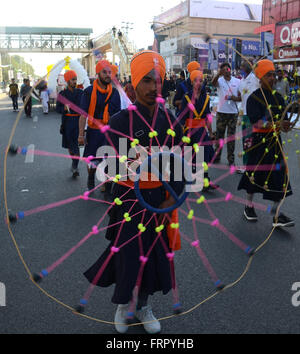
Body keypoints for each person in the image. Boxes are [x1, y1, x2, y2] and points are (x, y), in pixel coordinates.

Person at [83, 50, 184, 334]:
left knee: (153, 256)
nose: (154, 87)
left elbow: (181, 164)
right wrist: (133, 165)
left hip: (161, 202)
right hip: (129, 201)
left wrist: (169, 198)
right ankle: (122, 305)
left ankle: (143, 306)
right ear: (135, 82)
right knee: (128, 255)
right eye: (147, 81)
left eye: (158, 81)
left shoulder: (170, 120)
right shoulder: (119, 122)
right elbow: (110, 167)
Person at [238, 59, 294, 227]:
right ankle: (248, 206)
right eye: (268, 75)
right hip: (259, 143)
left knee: (279, 177)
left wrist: (285, 125)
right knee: (254, 175)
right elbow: (256, 123)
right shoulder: (253, 98)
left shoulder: (278, 98)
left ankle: (277, 215)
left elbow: (283, 122)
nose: (272, 78)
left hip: (275, 143)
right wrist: (277, 124)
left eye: (273, 74)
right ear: (260, 77)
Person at [79, 60, 121, 191]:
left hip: (110, 132)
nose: (108, 75)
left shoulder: (115, 93)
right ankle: (91, 177)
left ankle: (107, 184)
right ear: (98, 73)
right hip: (93, 131)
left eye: (109, 72)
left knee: (110, 160)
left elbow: (118, 115)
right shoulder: (88, 91)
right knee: (92, 161)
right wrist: (81, 135)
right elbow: (83, 115)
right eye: (105, 72)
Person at [180, 69, 217, 191]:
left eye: (201, 80)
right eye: (196, 80)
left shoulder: (206, 98)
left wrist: (211, 132)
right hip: (189, 131)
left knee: (204, 156)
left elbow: (207, 116)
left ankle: (204, 181)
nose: (199, 83)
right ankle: (187, 177)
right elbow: (182, 116)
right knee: (189, 156)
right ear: (191, 82)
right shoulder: (186, 97)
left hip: (201, 131)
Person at [212, 62, 241, 166]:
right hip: (221, 112)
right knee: (219, 137)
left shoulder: (237, 81)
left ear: (230, 69)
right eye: (223, 70)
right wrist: (218, 74)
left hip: (233, 113)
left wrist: (233, 98)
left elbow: (240, 97)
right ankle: (217, 157)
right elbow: (213, 83)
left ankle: (231, 159)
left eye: (227, 69)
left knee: (231, 138)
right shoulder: (219, 80)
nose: (226, 71)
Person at [56, 70, 83, 178]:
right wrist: (64, 109)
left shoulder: (81, 93)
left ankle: (75, 166)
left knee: (76, 146)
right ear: (67, 81)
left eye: (75, 79)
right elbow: (58, 109)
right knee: (69, 146)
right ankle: (74, 162)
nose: (75, 81)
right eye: (72, 80)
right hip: (67, 123)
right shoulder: (62, 94)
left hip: (78, 123)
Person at [236, 59, 260, 174]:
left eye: (242, 67)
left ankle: (251, 166)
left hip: (252, 114)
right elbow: (240, 96)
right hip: (244, 114)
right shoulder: (242, 81)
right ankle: (247, 165)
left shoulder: (255, 79)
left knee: (251, 140)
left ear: (247, 68)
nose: (240, 70)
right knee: (246, 141)